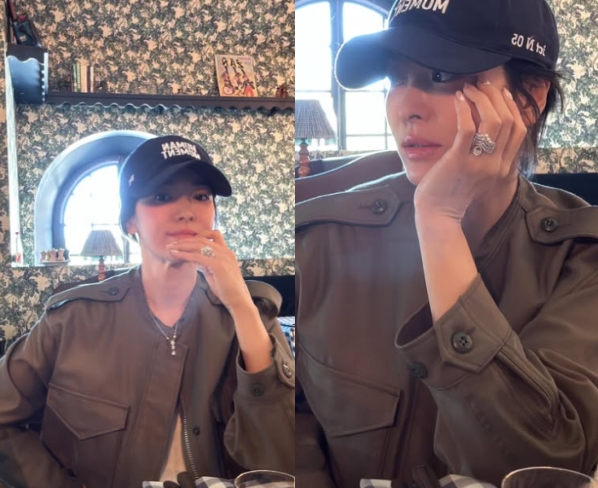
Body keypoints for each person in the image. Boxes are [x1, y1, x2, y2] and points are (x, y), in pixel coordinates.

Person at [295, 1, 598, 487]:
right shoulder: (320, 240)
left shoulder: (582, 258)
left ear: (529, 98)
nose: (407, 108)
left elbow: (543, 464)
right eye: (396, 78)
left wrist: (439, 222)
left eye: (441, 75)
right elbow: (296, 421)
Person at [0, 135, 295, 488]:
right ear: (129, 221)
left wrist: (241, 306)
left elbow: (280, 456)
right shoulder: (71, 319)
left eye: (201, 196)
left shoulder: (254, 314)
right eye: (162, 196)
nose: (186, 211)